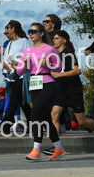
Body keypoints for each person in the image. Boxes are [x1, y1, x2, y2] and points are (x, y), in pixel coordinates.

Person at [47, 30, 94, 152]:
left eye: (57, 38)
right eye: (53, 38)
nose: (54, 40)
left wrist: (59, 75)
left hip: (73, 91)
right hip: (60, 91)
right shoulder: (55, 54)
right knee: (54, 114)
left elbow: (77, 71)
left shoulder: (68, 54)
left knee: (81, 121)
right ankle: (57, 147)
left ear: (64, 41)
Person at [17, 23, 66, 161]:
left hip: (48, 83)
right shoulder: (27, 50)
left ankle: (36, 149)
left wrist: (47, 64)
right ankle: (59, 148)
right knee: (45, 119)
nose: (30, 34)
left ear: (41, 33)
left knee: (34, 113)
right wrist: (24, 64)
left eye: (34, 31)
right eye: (29, 31)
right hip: (34, 83)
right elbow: (19, 71)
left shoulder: (49, 49)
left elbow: (59, 67)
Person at [0, 20, 32, 134]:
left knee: (13, 101)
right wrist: (5, 66)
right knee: (22, 103)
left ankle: (4, 125)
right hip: (11, 76)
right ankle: (33, 123)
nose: (6, 32)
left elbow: (30, 58)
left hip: (21, 76)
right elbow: (5, 58)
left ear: (13, 29)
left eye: (7, 29)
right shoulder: (9, 44)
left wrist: (19, 64)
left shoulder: (24, 42)